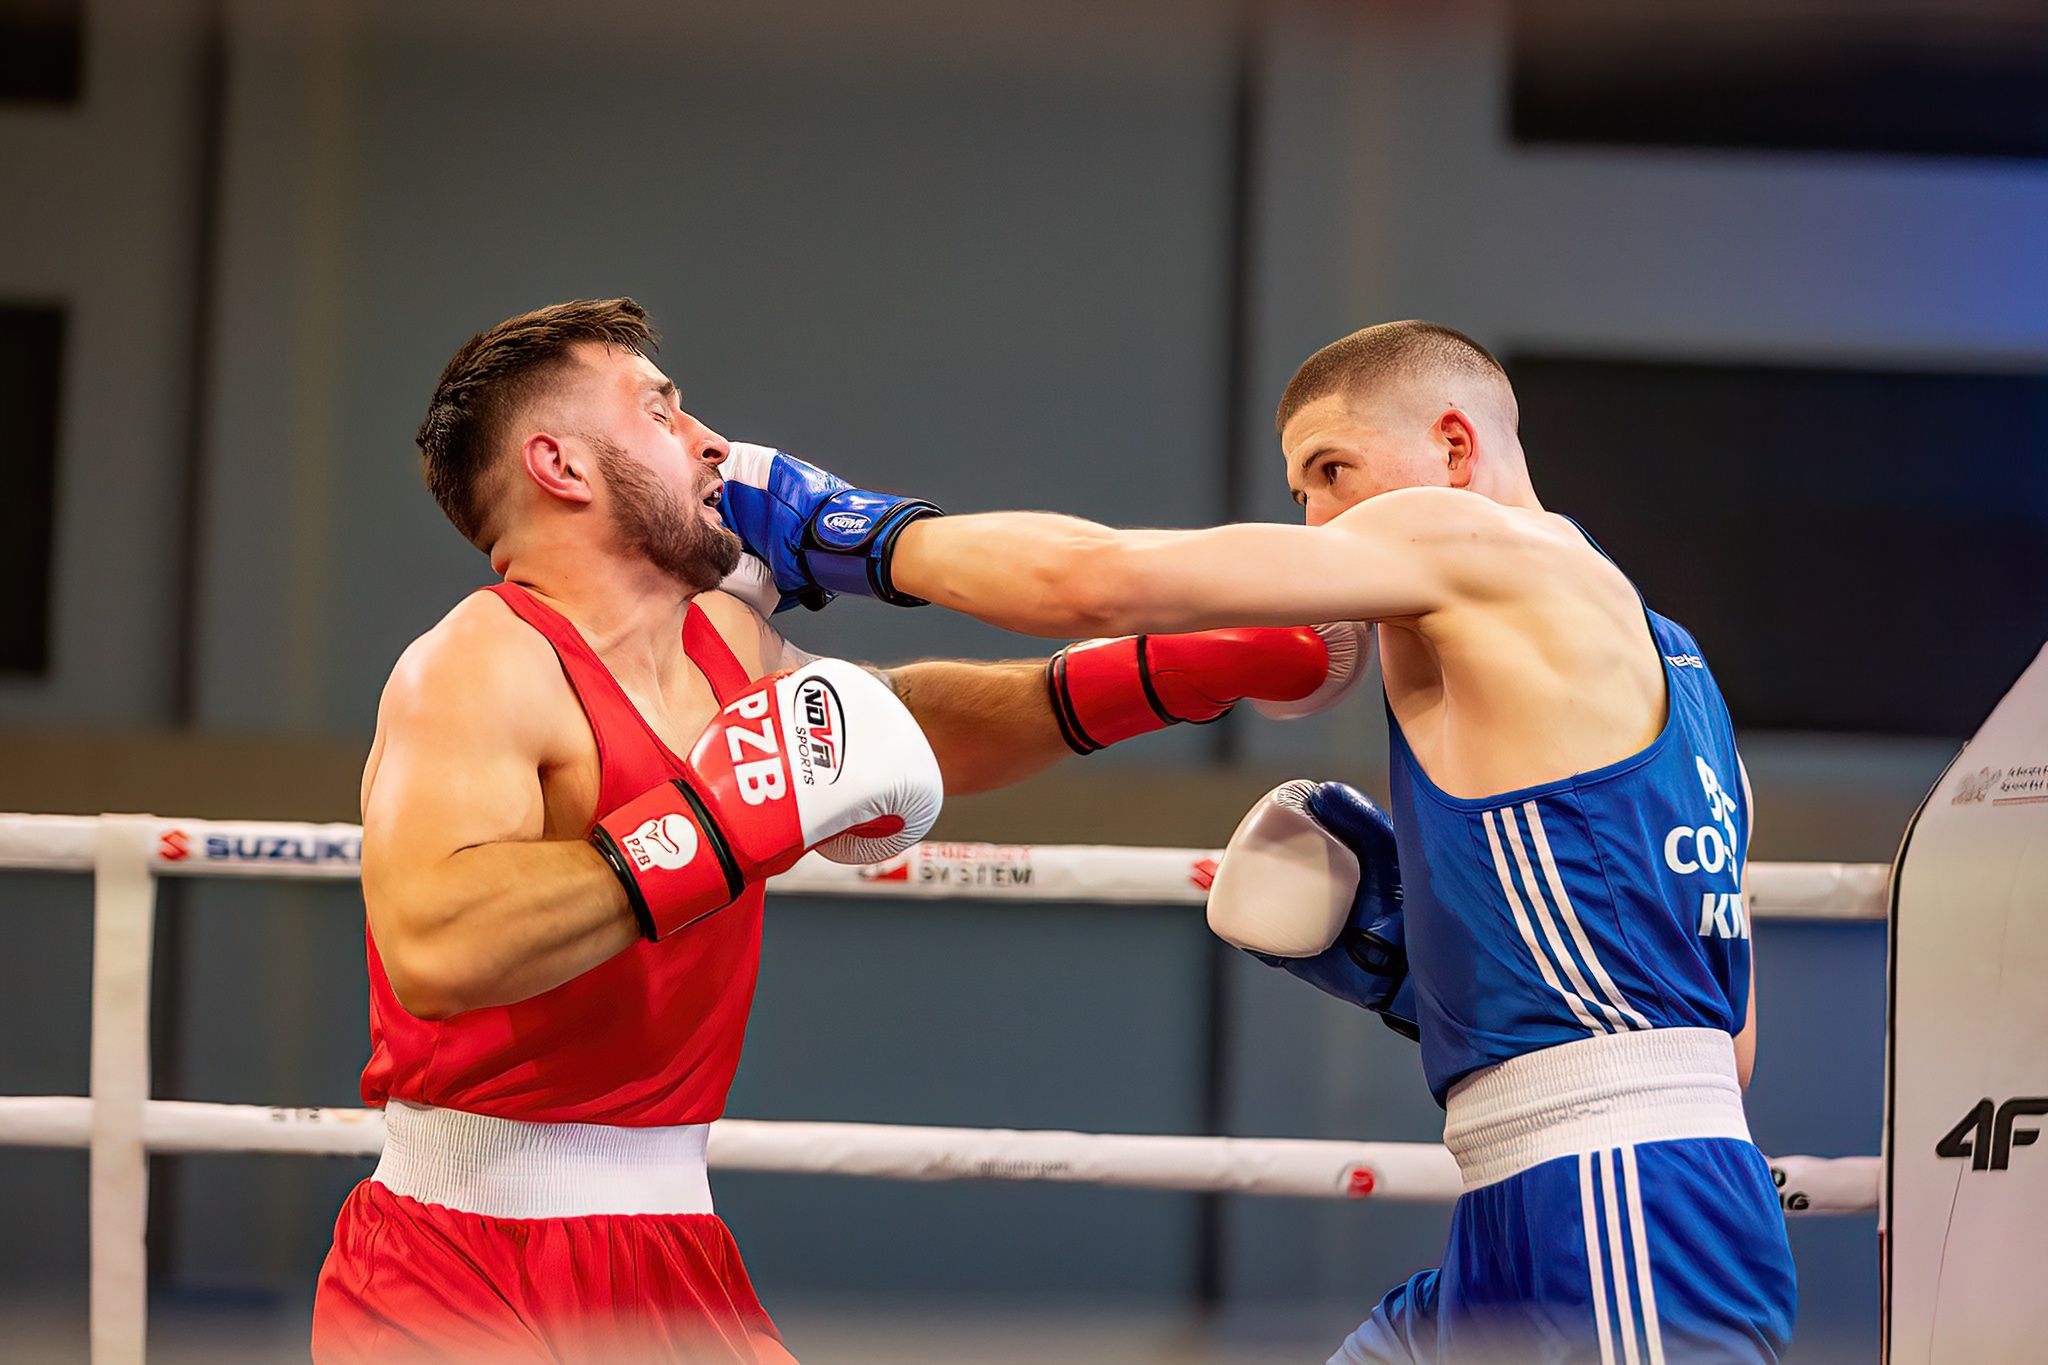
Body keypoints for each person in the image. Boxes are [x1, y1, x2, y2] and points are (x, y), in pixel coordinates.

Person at [309, 298, 1367, 1363]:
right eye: (660, 413)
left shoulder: (724, 640)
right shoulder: (479, 663)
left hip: (667, 1244)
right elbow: (438, 946)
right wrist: (710, 831)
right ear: (559, 466)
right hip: (459, 1260)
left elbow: (902, 733)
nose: (710, 441)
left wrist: (1171, 669)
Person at [719, 321, 1796, 1362]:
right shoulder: (1675, 667)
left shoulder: (1475, 541)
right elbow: (1718, 1045)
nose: (1322, 521)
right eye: (1302, 494)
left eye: (1332, 471)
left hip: (1618, 1212)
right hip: (1563, 1197)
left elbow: (1089, 582)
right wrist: (1422, 977)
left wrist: (836, 528)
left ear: (1453, 447)